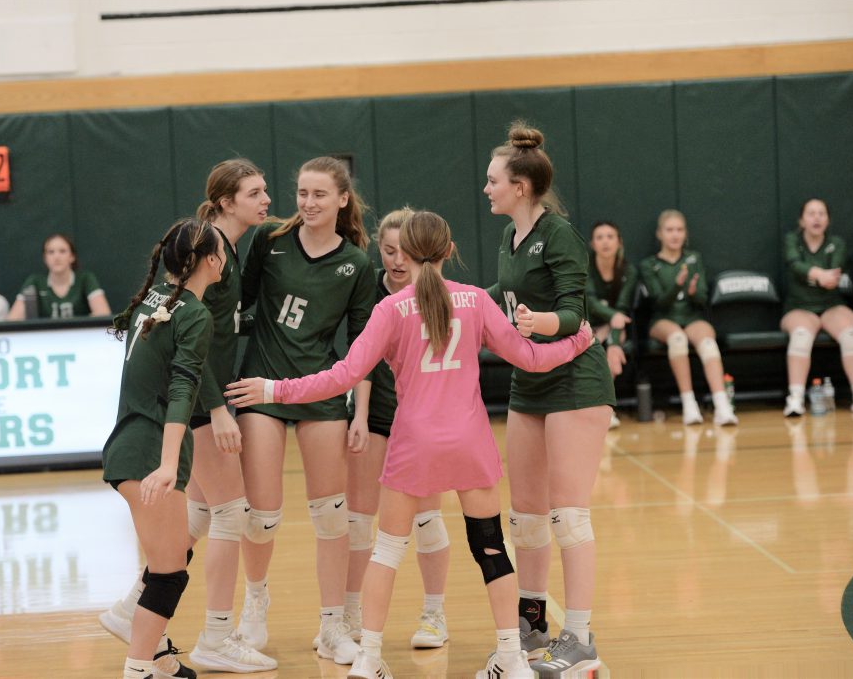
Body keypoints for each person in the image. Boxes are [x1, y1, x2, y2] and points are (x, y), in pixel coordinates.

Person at [226, 210, 593, 679]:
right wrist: (577, 340)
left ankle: (369, 658)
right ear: (448, 249)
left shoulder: (390, 309)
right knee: (491, 549)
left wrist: (273, 390)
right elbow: (531, 359)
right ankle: (511, 657)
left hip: (413, 445)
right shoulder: (475, 300)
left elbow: (342, 376)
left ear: (406, 253)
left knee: (386, 551)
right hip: (470, 443)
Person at [99, 159, 278, 673]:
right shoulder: (209, 261)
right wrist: (217, 409)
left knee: (192, 523)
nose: (266, 199)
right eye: (255, 192)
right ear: (224, 201)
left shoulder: (194, 269)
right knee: (229, 513)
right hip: (188, 407)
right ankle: (214, 636)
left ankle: (137, 621)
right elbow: (185, 368)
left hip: (160, 418)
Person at [483, 120, 614, 673]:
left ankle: (580, 636)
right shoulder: (509, 237)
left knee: (567, 516)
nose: (486, 188)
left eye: (492, 180)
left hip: (574, 382)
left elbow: (575, 311)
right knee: (526, 518)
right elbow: (502, 296)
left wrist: (545, 320)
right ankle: (532, 626)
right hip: (528, 382)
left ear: (521, 187)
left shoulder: (558, 233)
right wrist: (450, 297)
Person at [234, 156, 375, 666]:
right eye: (301, 193)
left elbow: (363, 347)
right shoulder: (269, 241)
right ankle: (254, 605)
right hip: (261, 388)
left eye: (319, 194)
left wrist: (360, 414)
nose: (308, 203)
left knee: (331, 516)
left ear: (342, 199)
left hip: (319, 391)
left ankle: (333, 625)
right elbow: (237, 301)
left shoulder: (358, 264)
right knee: (262, 515)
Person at [102, 217, 224, 679]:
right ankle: (138, 669)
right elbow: (182, 388)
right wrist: (169, 464)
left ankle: (158, 660)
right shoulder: (193, 313)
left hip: (129, 444)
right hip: (147, 451)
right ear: (211, 260)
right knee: (170, 573)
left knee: (163, 565)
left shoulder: (153, 302)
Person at [343, 207, 451, 650]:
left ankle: (434, 615)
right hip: (379, 415)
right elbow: (361, 360)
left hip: (423, 422)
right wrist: (361, 417)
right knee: (359, 520)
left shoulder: (438, 294)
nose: (397, 261)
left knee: (427, 518)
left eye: (405, 252)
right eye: (388, 251)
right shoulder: (367, 290)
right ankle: (347, 618)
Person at [638, 210, 738, 426]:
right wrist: (677, 285)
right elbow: (658, 302)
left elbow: (702, 299)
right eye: (670, 230)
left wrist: (693, 292)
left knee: (708, 343)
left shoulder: (694, 259)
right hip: (663, 319)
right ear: (660, 234)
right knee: (677, 339)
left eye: (680, 230)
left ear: (685, 234)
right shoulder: (649, 264)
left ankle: (722, 406)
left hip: (691, 316)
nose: (675, 235)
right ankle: (689, 404)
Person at [779, 198, 853, 415]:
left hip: (831, 305)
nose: (817, 218)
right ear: (802, 220)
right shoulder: (792, 240)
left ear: (828, 220)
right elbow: (794, 264)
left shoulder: (837, 243)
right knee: (800, 335)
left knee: (852, 334)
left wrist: (819, 276)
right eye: (811, 213)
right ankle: (795, 399)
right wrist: (818, 274)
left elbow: (833, 275)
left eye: (821, 213)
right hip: (799, 307)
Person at [586, 220, 638, 429]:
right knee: (593, 349)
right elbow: (591, 303)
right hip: (586, 324)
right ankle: (593, 407)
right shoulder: (585, 267)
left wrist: (615, 344)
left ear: (619, 242)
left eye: (610, 237)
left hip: (615, 325)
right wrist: (613, 320)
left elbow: (623, 311)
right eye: (600, 237)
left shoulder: (628, 270)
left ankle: (604, 409)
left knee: (613, 353)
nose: (605, 242)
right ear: (592, 244)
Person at [6, 233, 112, 319]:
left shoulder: (86, 278)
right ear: (45, 258)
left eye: (62, 251)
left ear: (72, 257)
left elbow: (103, 314)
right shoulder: (35, 281)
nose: (56, 257)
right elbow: (13, 320)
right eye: (51, 252)